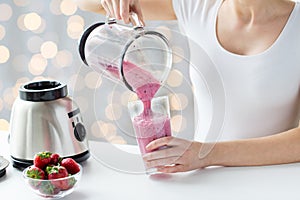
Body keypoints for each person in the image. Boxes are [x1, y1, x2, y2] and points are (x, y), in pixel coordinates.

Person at [75, 0, 300, 173]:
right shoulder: (197, 5)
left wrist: (207, 154)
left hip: (273, 181)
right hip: (204, 182)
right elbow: (86, 3)